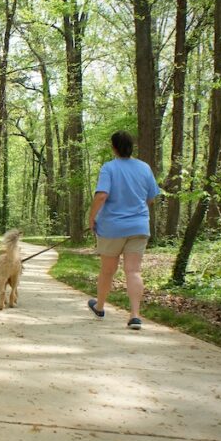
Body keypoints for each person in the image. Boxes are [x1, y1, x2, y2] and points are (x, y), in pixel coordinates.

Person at [87, 130, 160, 330]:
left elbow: (101, 195)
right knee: (134, 271)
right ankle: (135, 316)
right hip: (139, 227)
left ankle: (100, 307)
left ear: (114, 147)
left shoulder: (109, 168)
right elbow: (151, 198)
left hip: (112, 227)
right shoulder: (144, 168)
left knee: (108, 270)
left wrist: (92, 218)